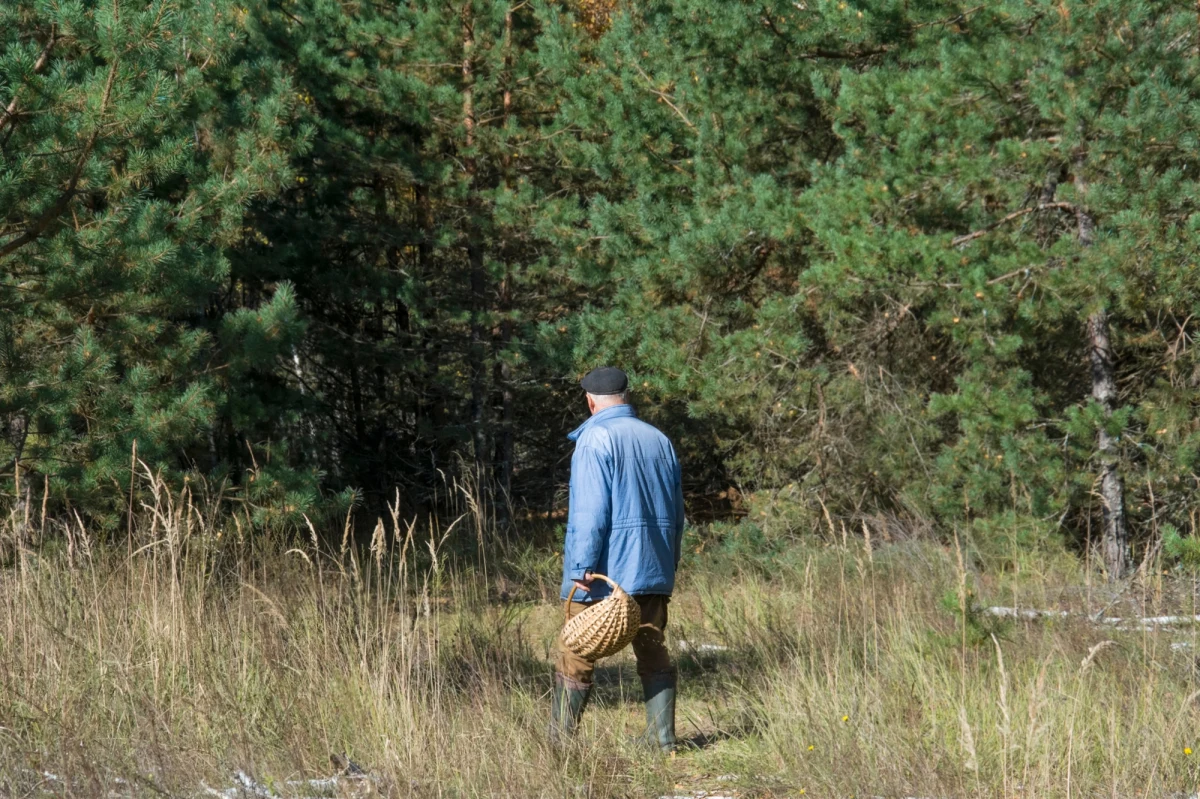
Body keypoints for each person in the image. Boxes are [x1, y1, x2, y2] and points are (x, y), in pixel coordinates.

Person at [550, 366, 685, 751]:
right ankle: (663, 741)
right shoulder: (660, 439)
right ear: (626, 396)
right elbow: (678, 514)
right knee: (653, 648)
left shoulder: (595, 438)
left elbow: (590, 513)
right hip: (654, 567)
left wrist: (581, 568)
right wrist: (668, 561)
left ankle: (559, 745)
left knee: (575, 652)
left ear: (590, 401)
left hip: (604, 574)